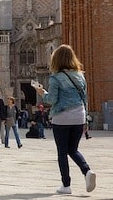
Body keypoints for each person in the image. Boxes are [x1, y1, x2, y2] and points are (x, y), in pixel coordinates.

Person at [36, 44, 96, 194]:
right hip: (79, 116)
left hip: (62, 117)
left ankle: (66, 185)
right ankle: (87, 171)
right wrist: (86, 120)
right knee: (73, 149)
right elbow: (85, 99)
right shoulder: (80, 75)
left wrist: (42, 92)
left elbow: (52, 100)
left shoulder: (56, 77)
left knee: (62, 151)